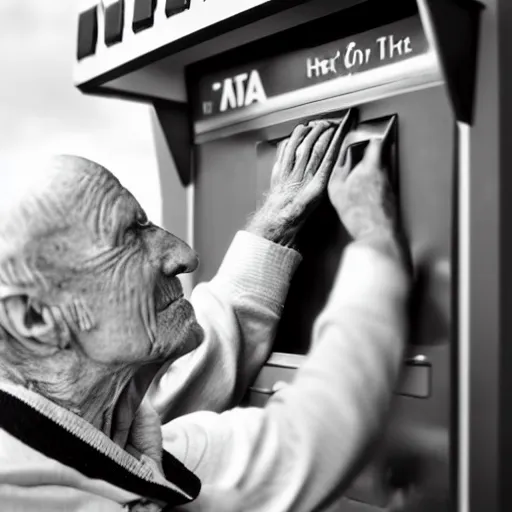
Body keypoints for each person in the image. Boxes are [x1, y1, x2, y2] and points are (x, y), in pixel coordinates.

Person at [0, 117, 411, 512]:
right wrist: (374, 242)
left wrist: (275, 226)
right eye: (130, 236)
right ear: (35, 317)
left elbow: (302, 437)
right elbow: (315, 437)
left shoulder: (118, 445)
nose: (185, 256)